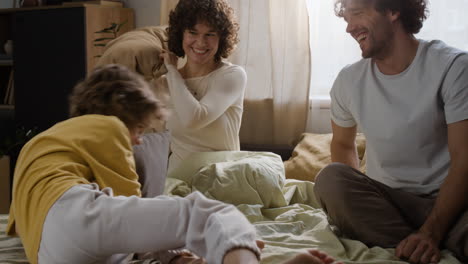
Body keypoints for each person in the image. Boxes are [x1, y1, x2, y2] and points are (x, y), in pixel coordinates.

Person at [6, 64, 341, 264]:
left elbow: (17, 221)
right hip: (77, 216)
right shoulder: (106, 126)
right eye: (138, 130)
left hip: (47, 251)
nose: (137, 141)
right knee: (210, 214)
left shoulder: (43, 142)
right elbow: (131, 202)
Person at [313, 0, 468, 264]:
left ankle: (422, 242)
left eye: (358, 14)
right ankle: (419, 245)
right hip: (387, 203)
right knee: (331, 179)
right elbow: (342, 145)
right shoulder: (348, 81)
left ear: (393, 10)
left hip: (450, 202)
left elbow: (465, 159)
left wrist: (431, 231)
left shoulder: (454, 67)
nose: (349, 27)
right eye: (346, 19)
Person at [156, 0, 247, 172]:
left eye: (210, 34)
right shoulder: (164, 82)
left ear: (222, 38)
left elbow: (194, 118)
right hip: (177, 183)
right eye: (193, 32)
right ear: (181, 34)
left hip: (220, 180)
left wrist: (172, 70)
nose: (200, 42)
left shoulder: (232, 75)